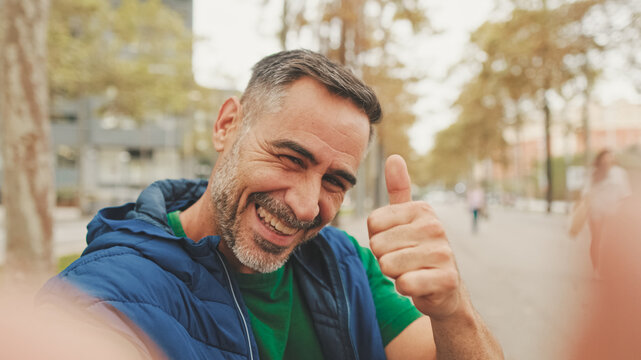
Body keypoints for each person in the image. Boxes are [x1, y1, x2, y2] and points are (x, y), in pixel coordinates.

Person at [40, 50, 503, 359]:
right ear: (226, 126)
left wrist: (451, 307)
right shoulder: (99, 298)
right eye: (289, 158)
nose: (306, 207)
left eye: (334, 181)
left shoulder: (347, 268)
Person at [573, 149, 630, 275]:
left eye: (610, 157)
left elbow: (625, 193)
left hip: (614, 212)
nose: (608, 160)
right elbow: (585, 192)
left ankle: (611, 268)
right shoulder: (593, 173)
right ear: (600, 159)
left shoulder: (620, 173)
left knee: (613, 241)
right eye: (605, 157)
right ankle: (596, 269)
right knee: (597, 239)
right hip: (596, 211)